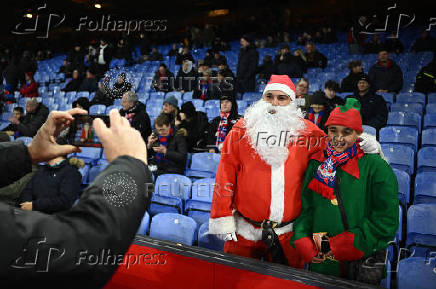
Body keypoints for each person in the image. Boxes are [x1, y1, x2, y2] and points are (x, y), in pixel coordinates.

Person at [208, 75, 381, 267]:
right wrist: (221, 216)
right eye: (269, 96)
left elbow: (335, 150)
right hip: (244, 231)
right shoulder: (242, 130)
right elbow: (225, 173)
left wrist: (359, 144)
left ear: (292, 102)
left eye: (281, 98)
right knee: (235, 280)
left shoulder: (307, 132)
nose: (274, 103)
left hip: (287, 234)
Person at [0, 108, 152, 288]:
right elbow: (86, 249)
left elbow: (64, 201)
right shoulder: (42, 172)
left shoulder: (70, 173)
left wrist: (28, 153)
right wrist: (132, 164)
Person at [290, 98, 398, 284]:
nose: (338, 138)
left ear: (358, 134)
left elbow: (386, 221)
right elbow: (307, 209)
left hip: (362, 261)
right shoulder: (317, 164)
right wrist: (301, 238)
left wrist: (345, 245)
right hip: (322, 262)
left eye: (346, 132)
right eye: (333, 130)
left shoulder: (376, 167)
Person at [17, 151, 83, 214]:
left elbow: (64, 201)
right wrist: (26, 204)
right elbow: (27, 190)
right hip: (31, 215)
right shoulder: (42, 169)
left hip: (53, 220)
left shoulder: (72, 173)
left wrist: (34, 205)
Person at [147, 113, 187, 177]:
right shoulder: (156, 136)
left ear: (169, 126)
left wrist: (166, 151)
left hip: (173, 170)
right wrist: (149, 145)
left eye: (163, 130)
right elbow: (149, 156)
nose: (160, 132)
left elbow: (182, 157)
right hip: (157, 168)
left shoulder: (178, 136)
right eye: (158, 130)